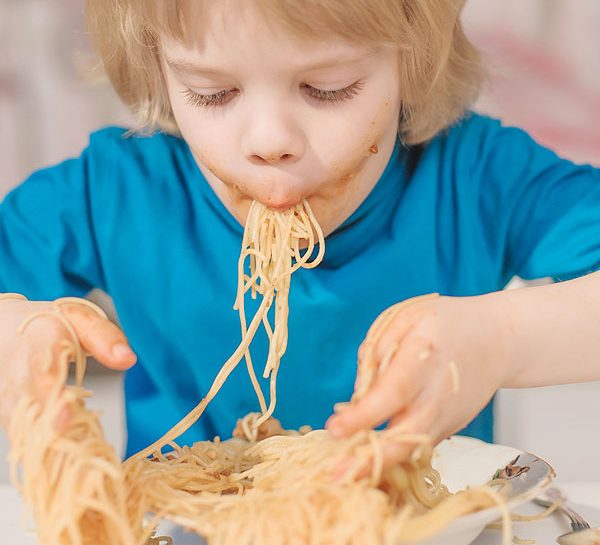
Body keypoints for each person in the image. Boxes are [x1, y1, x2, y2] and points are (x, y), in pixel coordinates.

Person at [0, 0, 599, 465]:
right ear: (158, 73)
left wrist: (503, 338)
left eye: (328, 88)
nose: (268, 141)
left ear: (411, 65)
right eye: (213, 93)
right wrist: (15, 330)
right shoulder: (115, 192)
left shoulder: (476, 177)